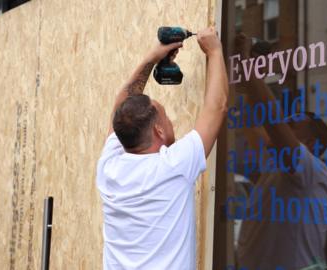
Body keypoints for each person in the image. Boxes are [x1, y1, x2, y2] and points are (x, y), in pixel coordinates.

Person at [95, 26, 228, 270]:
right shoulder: (172, 166)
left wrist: (152, 58)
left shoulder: (108, 168)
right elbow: (216, 107)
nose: (171, 122)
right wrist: (215, 51)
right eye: (166, 117)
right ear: (158, 130)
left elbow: (121, 109)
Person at [234, 33, 327, 270]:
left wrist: (246, 63)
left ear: (309, 142)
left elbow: (269, 116)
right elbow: (252, 121)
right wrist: (252, 77)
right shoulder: (276, 165)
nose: (283, 127)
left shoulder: (310, 168)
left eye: (291, 126)